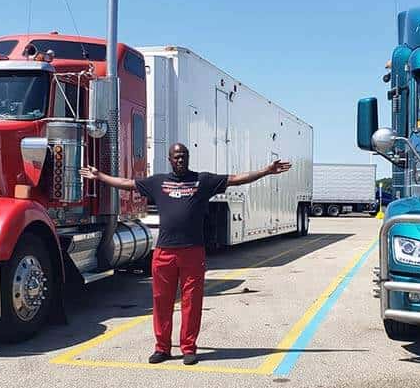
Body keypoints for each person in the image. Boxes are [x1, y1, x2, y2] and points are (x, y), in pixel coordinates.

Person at [80, 143, 291, 365]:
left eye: (184, 156)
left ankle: (189, 347)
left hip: (193, 252)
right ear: (170, 159)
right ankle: (162, 348)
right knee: (162, 302)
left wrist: (266, 170)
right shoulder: (157, 182)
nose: (180, 160)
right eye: (176, 157)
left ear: (188, 158)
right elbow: (126, 183)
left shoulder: (203, 180)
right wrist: (99, 176)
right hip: (164, 253)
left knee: (192, 302)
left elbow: (237, 178)